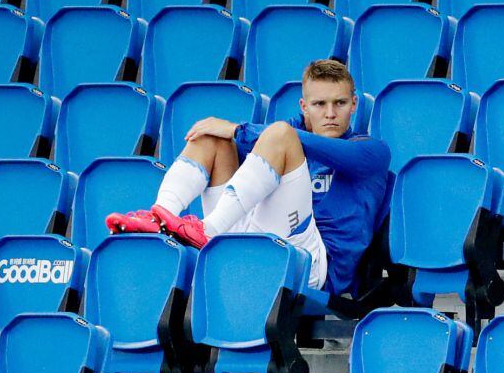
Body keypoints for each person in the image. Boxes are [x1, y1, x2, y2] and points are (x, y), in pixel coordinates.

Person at [106, 59, 391, 296]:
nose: (330, 114)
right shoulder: (288, 134)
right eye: (320, 104)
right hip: (255, 242)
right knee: (211, 138)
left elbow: (281, 136)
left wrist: (237, 129)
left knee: (277, 134)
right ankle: (162, 213)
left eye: (339, 103)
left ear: (354, 104)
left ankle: (209, 230)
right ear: (304, 107)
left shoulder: (372, 152)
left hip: (313, 265)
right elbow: (262, 136)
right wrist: (232, 132)